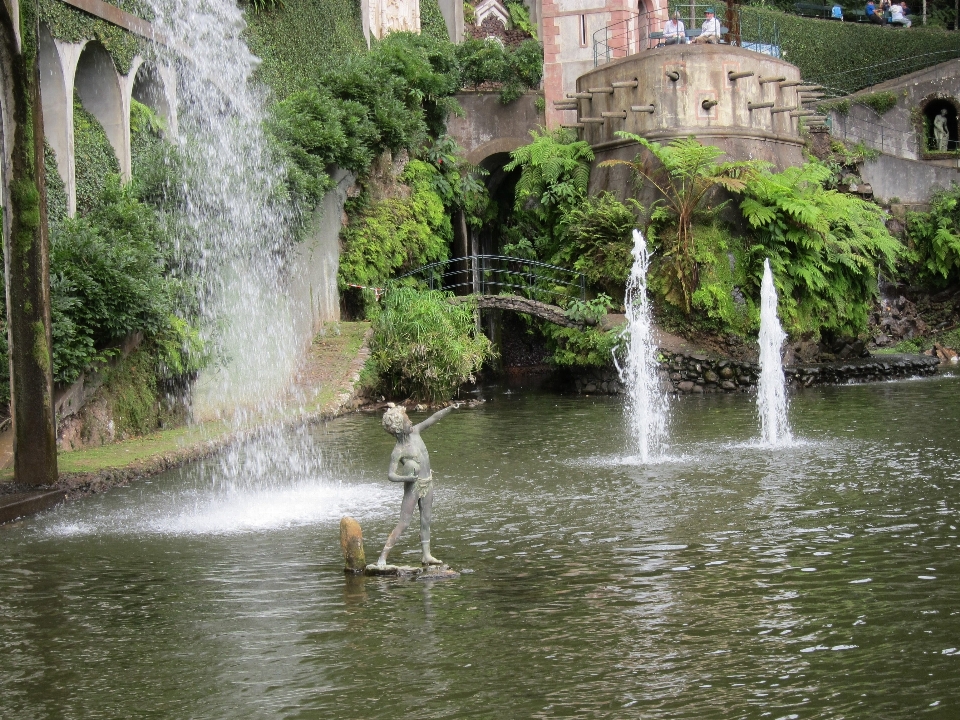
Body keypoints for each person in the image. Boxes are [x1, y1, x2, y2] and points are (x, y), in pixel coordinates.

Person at [376, 403, 457, 568]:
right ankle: (382, 557)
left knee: (426, 520)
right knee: (404, 523)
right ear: (399, 428)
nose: (411, 422)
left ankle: (426, 555)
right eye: (407, 421)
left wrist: (450, 409)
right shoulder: (398, 450)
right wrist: (407, 478)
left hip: (428, 482)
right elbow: (391, 475)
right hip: (413, 487)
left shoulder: (416, 432)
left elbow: (433, 418)